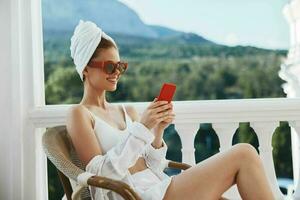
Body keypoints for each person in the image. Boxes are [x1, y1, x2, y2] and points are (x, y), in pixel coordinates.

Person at [66, 20, 275, 200]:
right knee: (244, 153)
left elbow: (154, 166)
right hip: (135, 195)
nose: (116, 73)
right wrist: (143, 127)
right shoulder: (80, 114)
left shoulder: (126, 111)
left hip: (157, 185)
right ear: (85, 68)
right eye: (110, 67)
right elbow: (100, 175)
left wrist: (157, 131)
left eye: (121, 66)